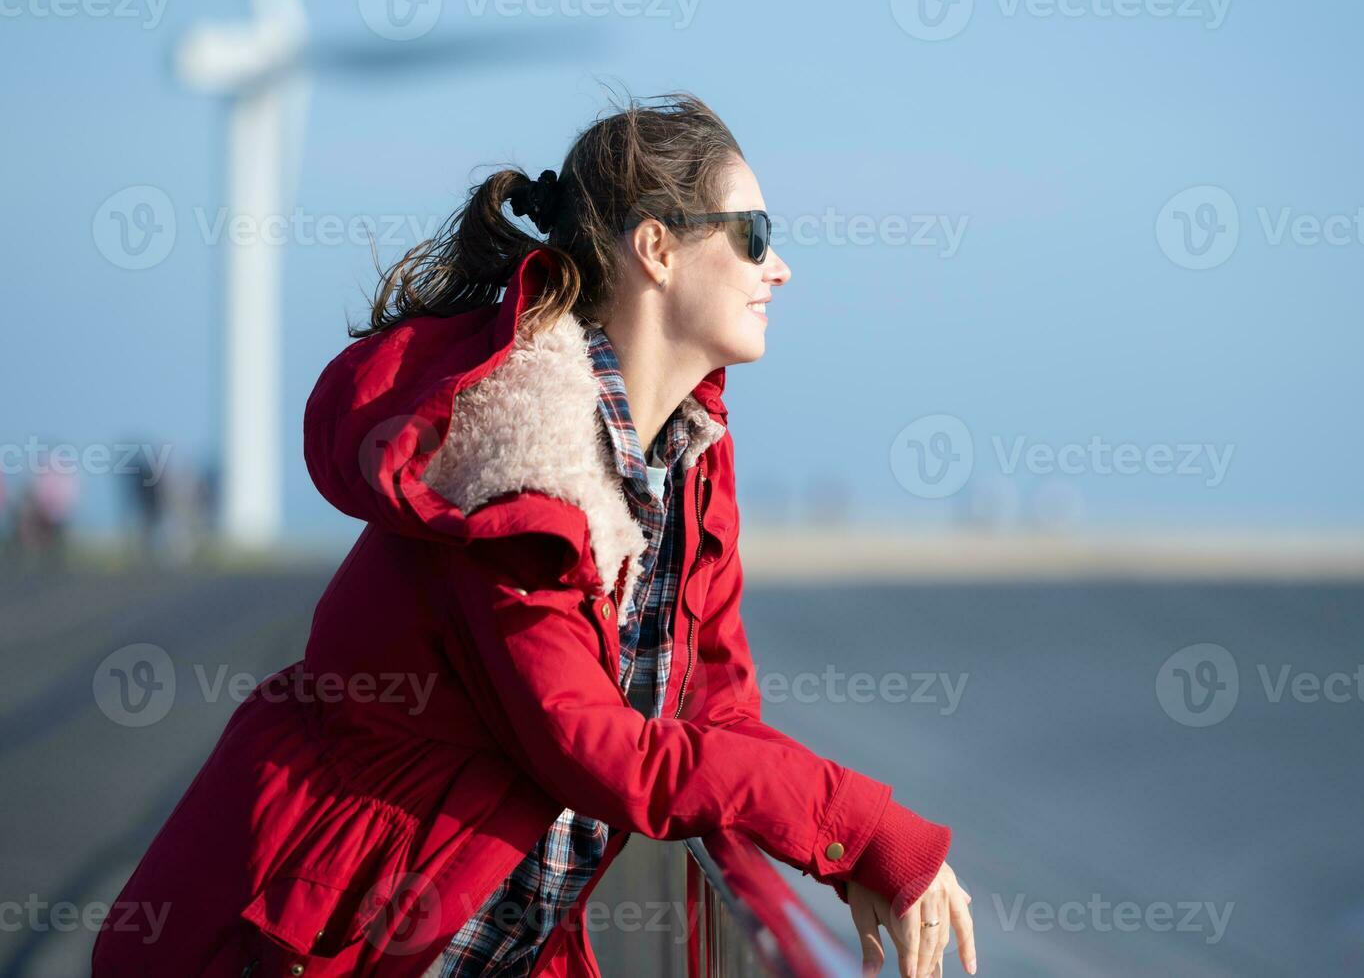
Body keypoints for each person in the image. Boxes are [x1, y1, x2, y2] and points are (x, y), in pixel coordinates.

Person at [92, 92, 974, 978]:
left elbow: (719, 715)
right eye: (754, 232)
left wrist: (859, 855)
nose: (779, 267)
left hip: (490, 942)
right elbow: (601, 753)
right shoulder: (517, 470)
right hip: (322, 941)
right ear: (656, 249)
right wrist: (869, 826)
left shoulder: (690, 460)